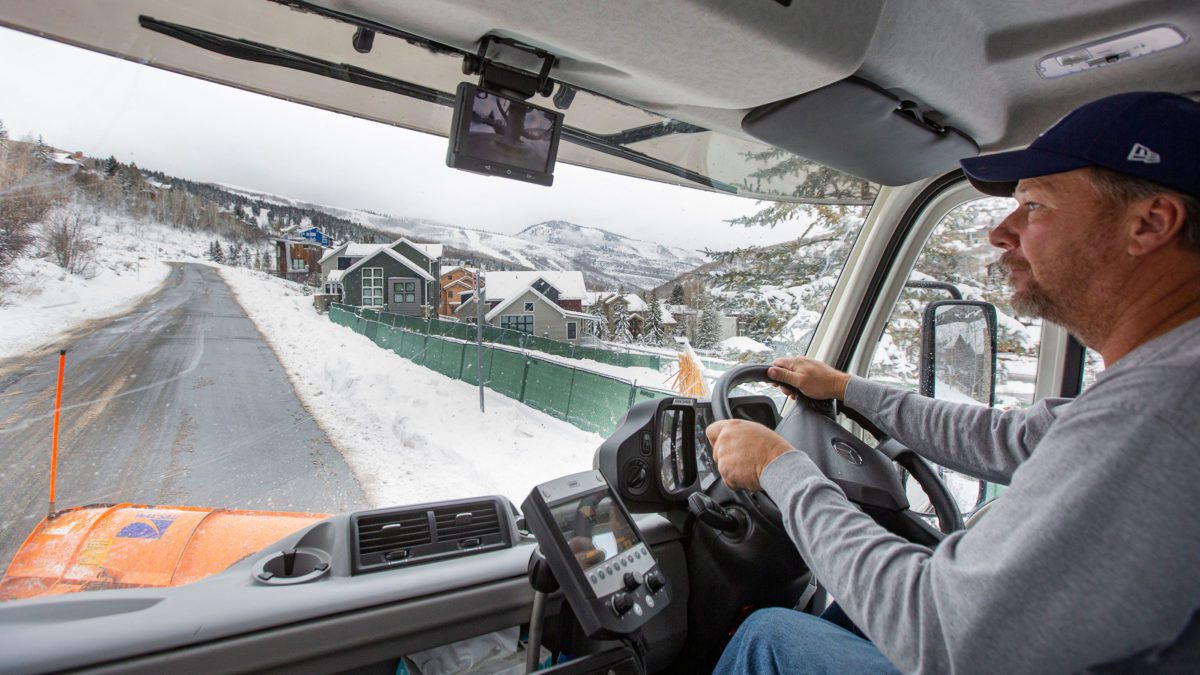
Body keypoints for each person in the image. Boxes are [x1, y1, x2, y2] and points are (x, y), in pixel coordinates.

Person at [708, 91, 1200, 674]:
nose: (1002, 232)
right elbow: (1010, 439)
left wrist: (780, 470)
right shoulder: (1162, 379)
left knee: (769, 637)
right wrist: (847, 389)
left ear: (1149, 224)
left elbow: (938, 629)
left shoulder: (1162, 410)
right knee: (842, 617)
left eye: (1035, 206)